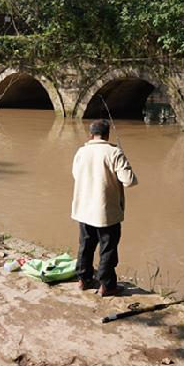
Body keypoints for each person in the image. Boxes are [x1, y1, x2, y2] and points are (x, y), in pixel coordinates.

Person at [71, 119, 138, 297]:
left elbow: (76, 175)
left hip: (84, 209)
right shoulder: (115, 152)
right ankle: (107, 285)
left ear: (90, 134)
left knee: (85, 245)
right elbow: (129, 181)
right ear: (107, 134)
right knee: (108, 249)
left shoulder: (81, 152)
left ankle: (83, 280)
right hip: (106, 211)